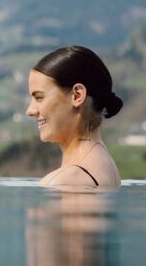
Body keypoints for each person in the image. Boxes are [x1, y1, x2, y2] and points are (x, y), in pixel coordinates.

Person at [26, 46, 123, 189]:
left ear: (77, 95)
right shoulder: (106, 165)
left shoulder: (63, 181)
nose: (30, 111)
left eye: (39, 97)